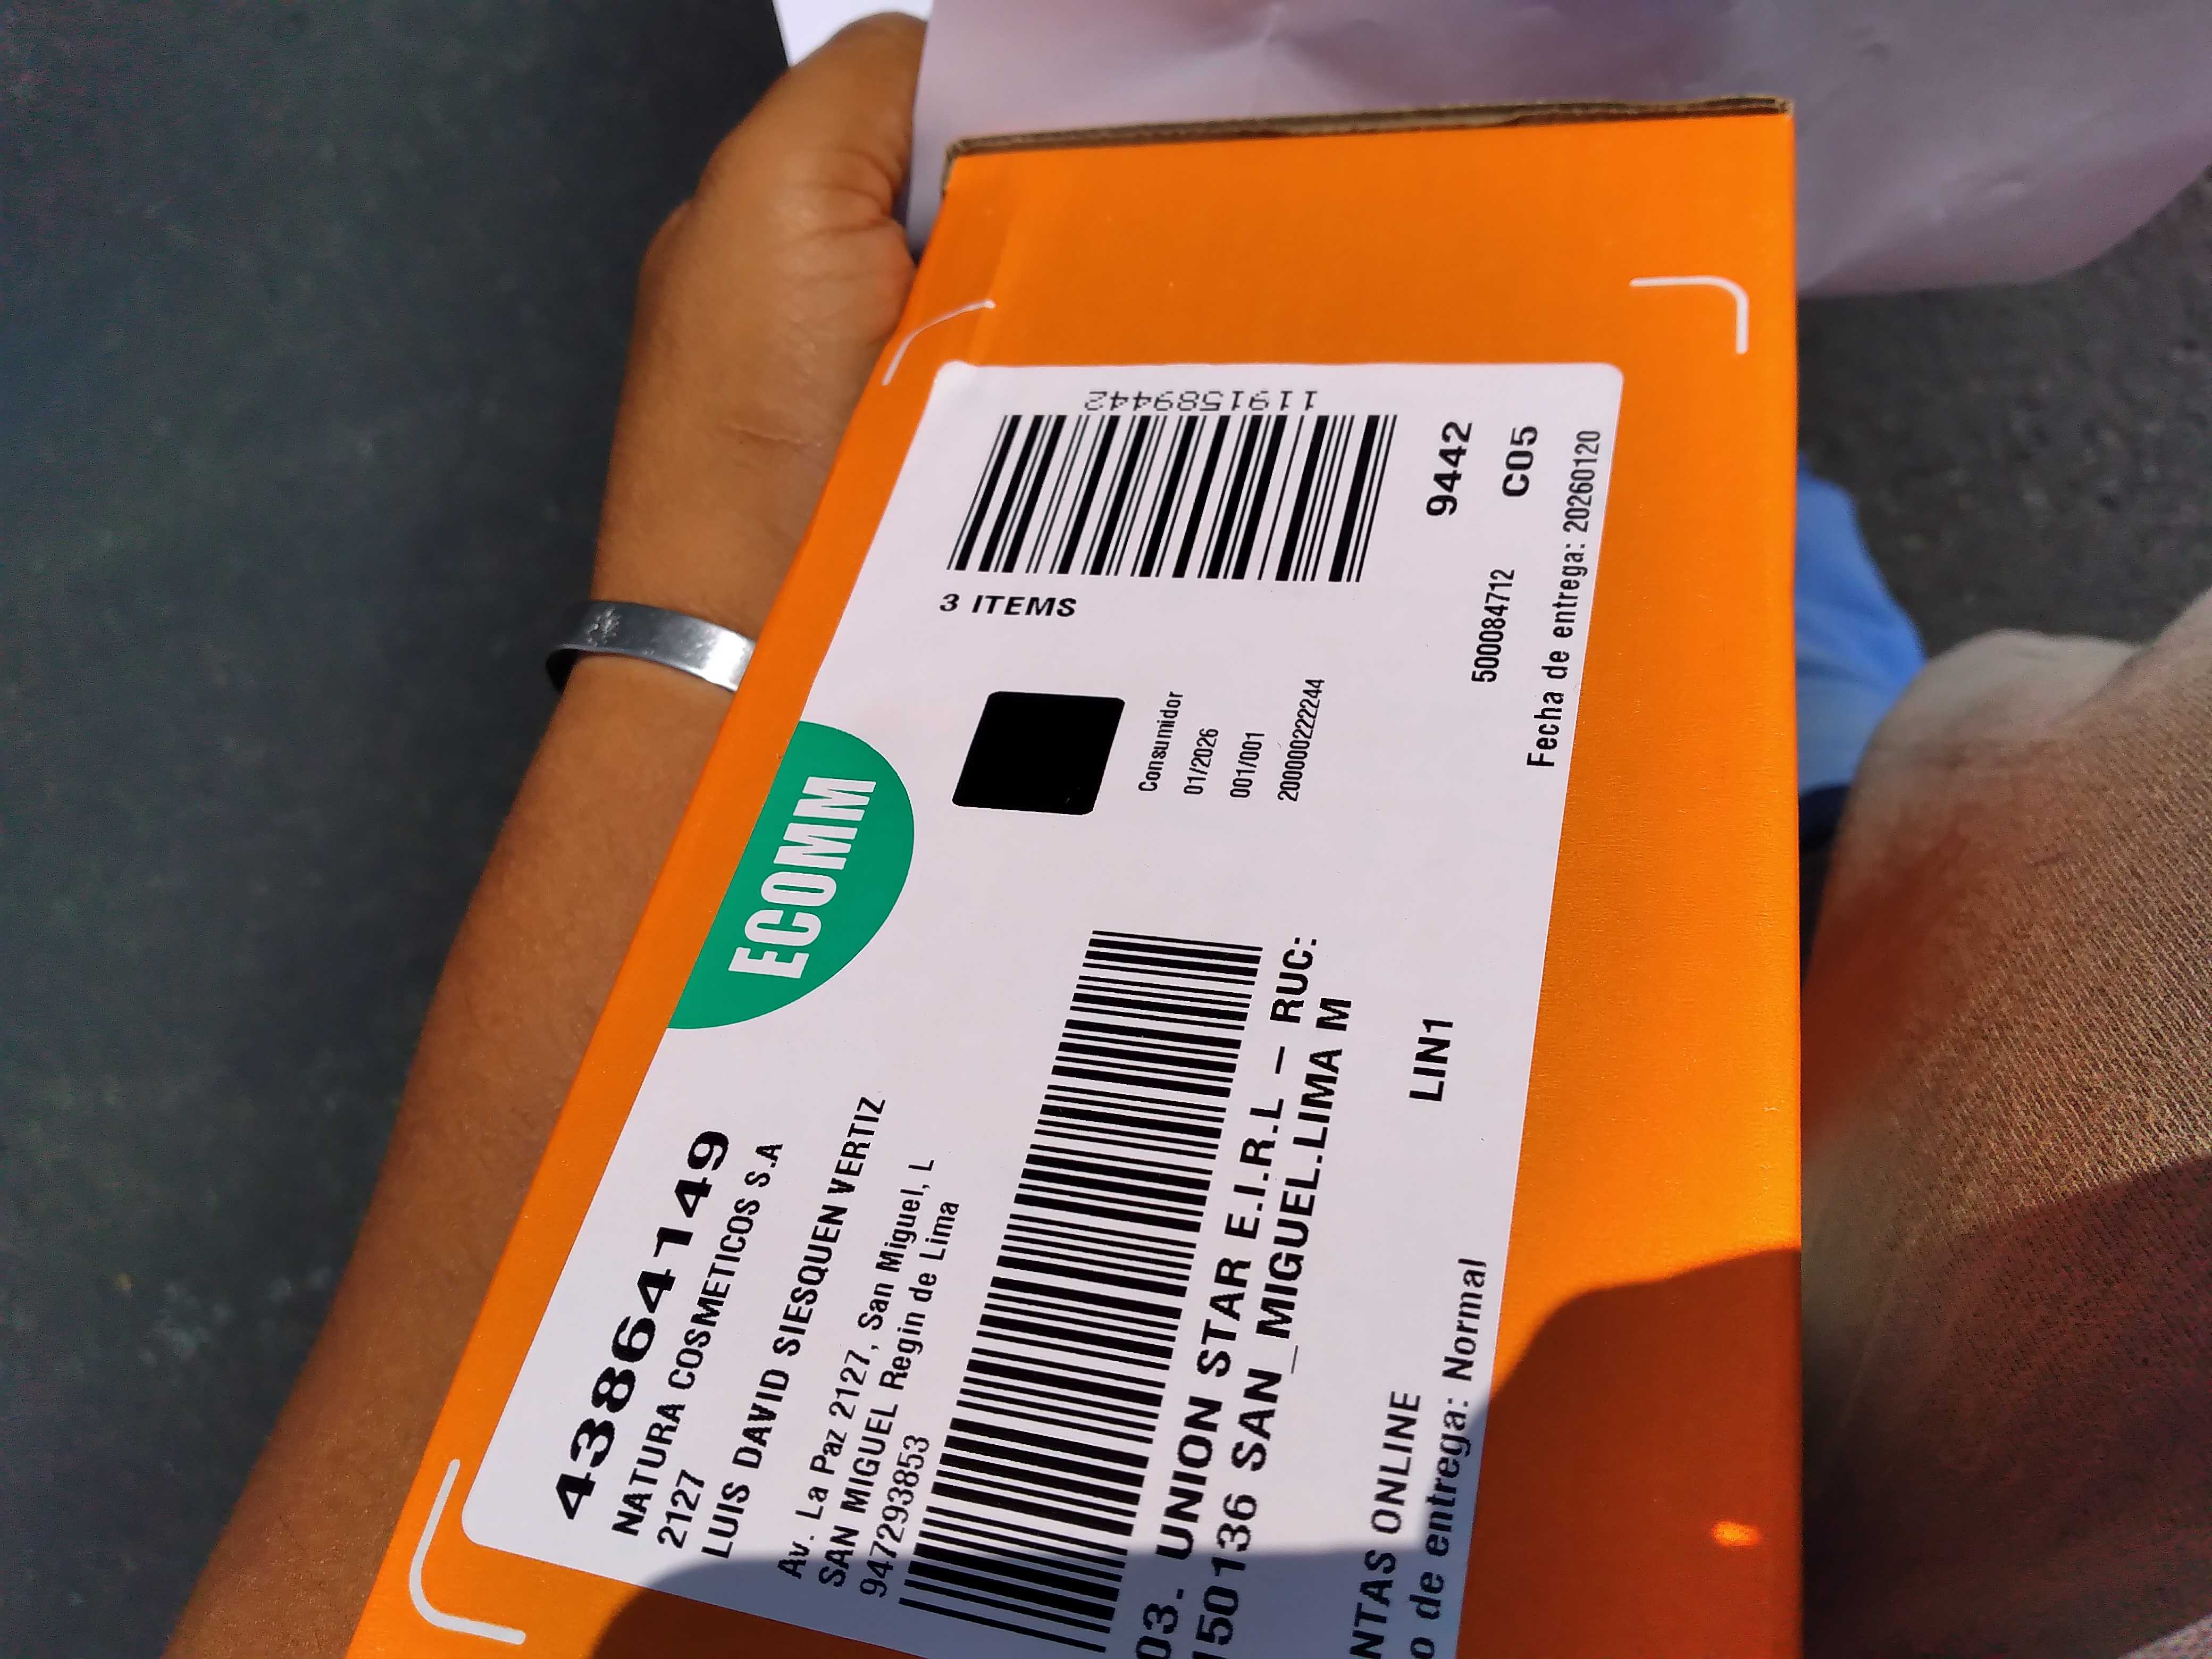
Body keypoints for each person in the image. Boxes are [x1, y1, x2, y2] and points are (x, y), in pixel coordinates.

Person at [165, 15, 2212, 1656]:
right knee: (1695, 539)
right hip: (1859, 875)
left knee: (1670, 547)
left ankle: (1715, 477)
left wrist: (704, 623)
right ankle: (1722, 474)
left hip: (1786, 958)